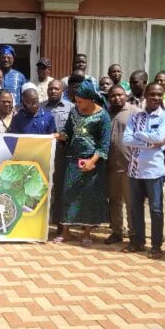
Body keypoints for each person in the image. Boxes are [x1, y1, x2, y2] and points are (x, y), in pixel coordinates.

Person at [53, 82, 111, 247]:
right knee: (68, 195)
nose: (77, 104)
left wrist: (92, 162)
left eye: (80, 101)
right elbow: (67, 133)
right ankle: (66, 232)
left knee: (88, 198)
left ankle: (86, 233)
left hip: (92, 164)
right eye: (76, 101)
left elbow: (104, 144)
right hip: (73, 160)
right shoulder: (74, 112)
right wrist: (57, 136)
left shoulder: (103, 116)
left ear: (89, 99)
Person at [122, 83, 165, 258]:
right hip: (135, 171)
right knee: (135, 208)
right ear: (145, 95)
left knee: (156, 209)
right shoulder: (135, 117)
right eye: (152, 94)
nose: (156, 98)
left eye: (159, 95)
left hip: (154, 172)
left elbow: (160, 137)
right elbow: (126, 139)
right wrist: (149, 142)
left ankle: (156, 245)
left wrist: (139, 135)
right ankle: (138, 242)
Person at [104, 85, 141, 245]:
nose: (116, 98)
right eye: (113, 96)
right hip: (110, 166)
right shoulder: (106, 113)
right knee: (114, 200)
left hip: (130, 166)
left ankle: (134, 234)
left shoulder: (135, 112)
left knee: (131, 202)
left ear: (125, 95)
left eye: (119, 95)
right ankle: (117, 231)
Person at [42, 79, 74, 227]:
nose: (53, 91)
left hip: (62, 153)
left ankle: (60, 223)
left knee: (61, 188)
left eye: (56, 89)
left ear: (63, 91)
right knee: (43, 187)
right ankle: (44, 222)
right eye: (51, 88)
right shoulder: (40, 106)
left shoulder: (71, 108)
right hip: (43, 153)